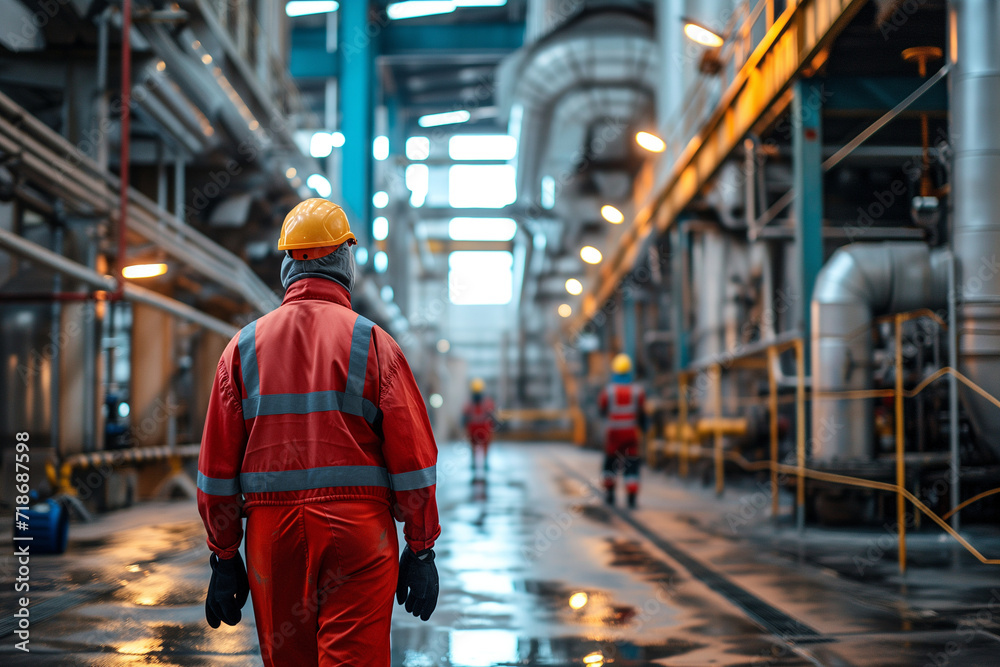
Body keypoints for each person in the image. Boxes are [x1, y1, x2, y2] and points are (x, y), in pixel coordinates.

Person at [196, 199, 441, 666]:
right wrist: (421, 547)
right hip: (359, 536)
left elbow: (215, 471)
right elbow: (414, 463)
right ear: (346, 260)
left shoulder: (242, 348)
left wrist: (224, 557)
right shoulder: (374, 344)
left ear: (288, 264)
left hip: (273, 539)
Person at [598, 353, 646, 508]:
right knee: (631, 465)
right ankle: (631, 498)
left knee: (610, 464)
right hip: (631, 434)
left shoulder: (609, 391)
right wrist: (644, 428)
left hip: (614, 435)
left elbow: (602, 409)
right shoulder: (637, 391)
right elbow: (642, 413)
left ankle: (610, 495)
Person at [462, 378, 495, 473]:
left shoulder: (472, 403)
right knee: (475, 447)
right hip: (480, 430)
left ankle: (481, 463)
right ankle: (478, 463)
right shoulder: (484, 403)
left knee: (479, 446)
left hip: (480, 430)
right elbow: (465, 416)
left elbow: (464, 417)